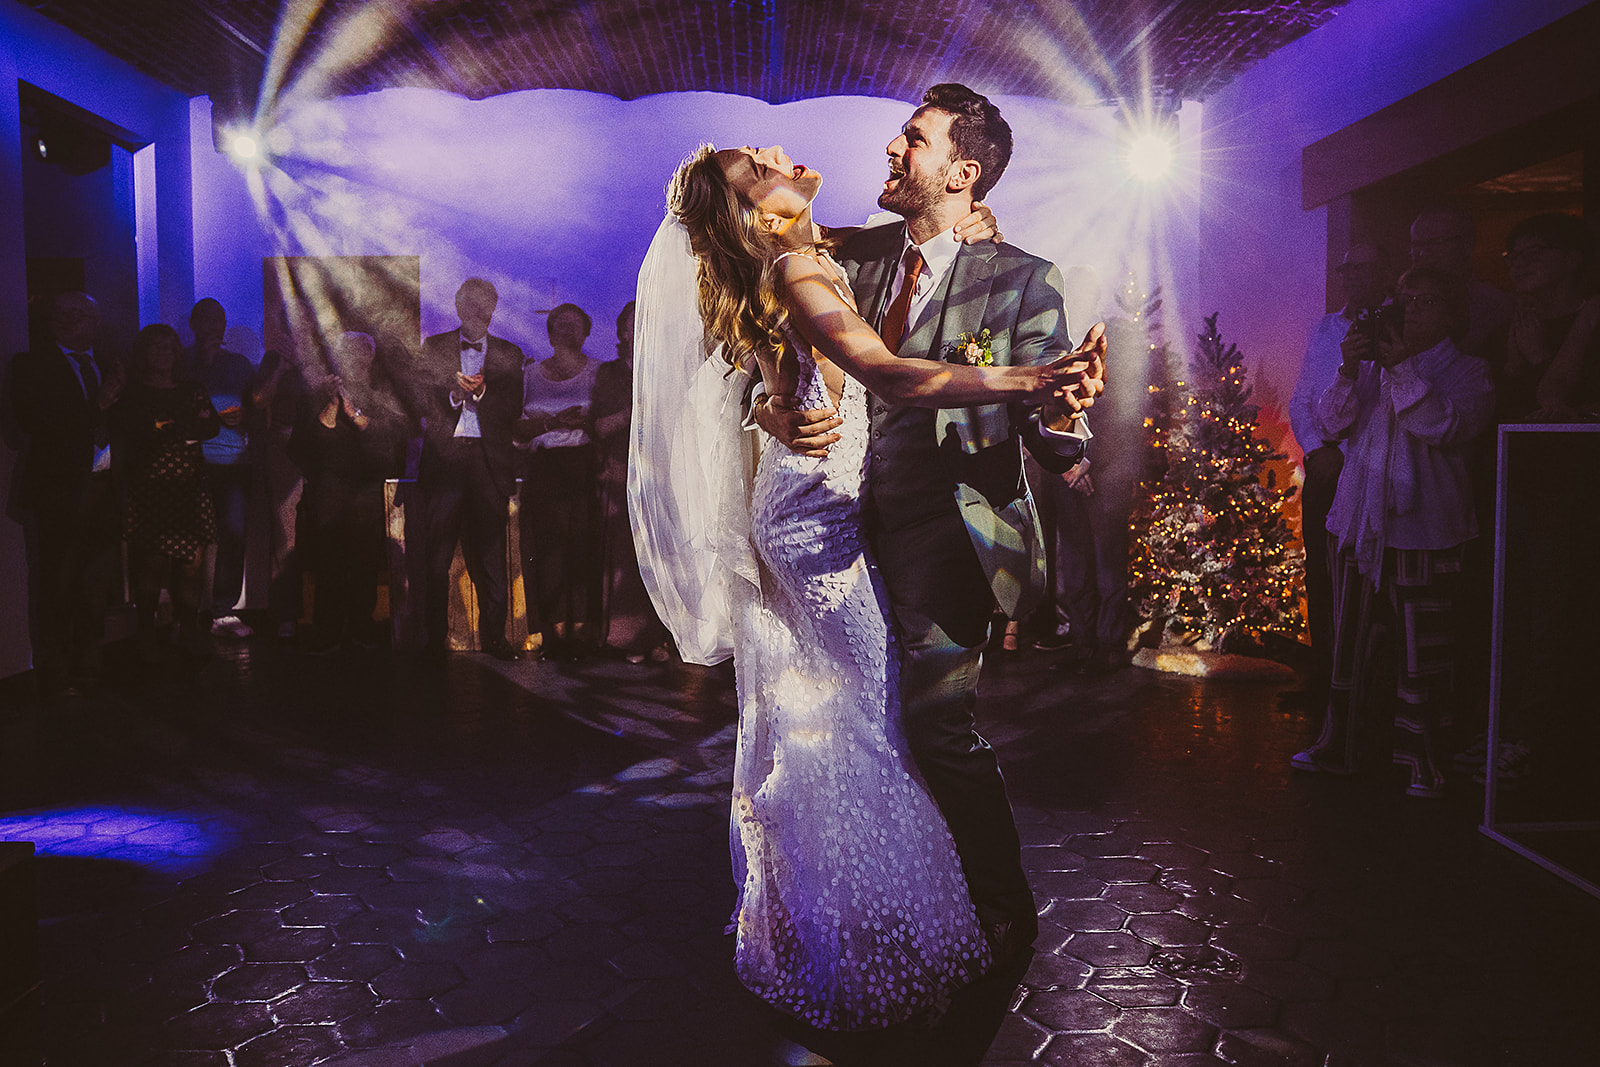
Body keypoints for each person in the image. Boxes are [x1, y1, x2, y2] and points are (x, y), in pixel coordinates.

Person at [634, 132, 1101, 1026]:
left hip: (857, 515)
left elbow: (822, 319)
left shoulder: (836, 252)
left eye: (915, 138)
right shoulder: (796, 267)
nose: (777, 152)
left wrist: (772, 396)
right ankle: (867, 927)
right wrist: (1031, 378)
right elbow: (884, 373)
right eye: (755, 166)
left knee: (845, 712)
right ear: (754, 214)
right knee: (864, 716)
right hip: (816, 519)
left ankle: (830, 915)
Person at [754, 85, 1103, 968]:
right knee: (857, 722)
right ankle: (892, 892)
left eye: (913, 138)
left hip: (950, 536)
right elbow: (773, 322)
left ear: (961, 172)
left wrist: (1066, 413)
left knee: (937, 724)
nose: (892, 148)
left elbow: (1048, 416)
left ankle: (1000, 905)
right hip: (840, 528)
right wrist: (770, 406)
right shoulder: (861, 254)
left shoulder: (1022, 278)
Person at [1291, 266, 1494, 798]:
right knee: (1351, 643)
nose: (1410, 310)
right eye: (1405, 299)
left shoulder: (1470, 370)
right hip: (1358, 523)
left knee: (1423, 652)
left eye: (1426, 302)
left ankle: (1423, 761)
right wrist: (1348, 370)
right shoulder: (1373, 370)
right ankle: (1342, 747)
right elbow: (1332, 424)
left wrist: (1400, 367)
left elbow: (1444, 425)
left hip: (1426, 530)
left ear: (1453, 314)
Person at [1287, 244, 1392, 706]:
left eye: (1364, 269)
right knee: (1320, 573)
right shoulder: (1326, 328)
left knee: (1368, 576)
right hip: (1328, 468)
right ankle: (1326, 677)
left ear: (1383, 273)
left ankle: (1365, 686)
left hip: (1374, 471)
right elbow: (1301, 399)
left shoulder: (1398, 325)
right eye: (1347, 269)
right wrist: (1316, 451)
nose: (1353, 277)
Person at [7, 291, 124, 696]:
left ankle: (90, 659)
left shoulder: (110, 362)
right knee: (57, 581)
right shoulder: (30, 365)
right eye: (62, 313)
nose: (68, 319)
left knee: (97, 580)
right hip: (58, 492)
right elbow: (33, 422)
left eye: (80, 313)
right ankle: (55, 670)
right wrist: (98, 405)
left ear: (96, 321)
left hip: (106, 488)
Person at [415, 278, 524, 661]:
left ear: (492, 309)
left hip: (487, 463)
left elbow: (512, 407)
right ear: (458, 307)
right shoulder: (435, 347)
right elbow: (420, 399)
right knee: (436, 557)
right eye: (471, 304)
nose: (478, 311)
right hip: (446, 461)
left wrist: (480, 393)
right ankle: (433, 638)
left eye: (484, 304)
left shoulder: (510, 352)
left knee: (492, 557)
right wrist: (453, 395)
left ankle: (495, 637)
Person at [291, 332, 408, 654]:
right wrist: (332, 403)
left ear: (370, 357)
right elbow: (307, 444)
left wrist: (354, 413)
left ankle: (361, 627)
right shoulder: (318, 394)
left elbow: (389, 441)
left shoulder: (381, 393)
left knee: (365, 562)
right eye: (347, 353)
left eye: (360, 353)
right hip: (330, 489)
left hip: (368, 488)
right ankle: (327, 630)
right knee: (329, 562)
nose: (354, 359)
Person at [111, 324, 221, 660]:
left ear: (177, 352)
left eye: (168, 346)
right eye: (155, 346)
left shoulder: (191, 388)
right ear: (143, 352)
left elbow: (210, 425)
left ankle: (188, 630)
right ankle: (145, 632)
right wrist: (178, 426)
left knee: (191, 562)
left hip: (190, 485)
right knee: (151, 563)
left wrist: (168, 427)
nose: (163, 352)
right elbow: (133, 430)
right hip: (150, 486)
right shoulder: (133, 392)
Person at [515, 303, 603, 660]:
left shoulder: (598, 371)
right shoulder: (530, 374)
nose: (567, 331)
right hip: (544, 466)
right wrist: (550, 423)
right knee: (547, 550)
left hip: (584, 464)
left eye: (575, 325)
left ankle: (580, 632)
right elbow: (515, 428)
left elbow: (608, 421)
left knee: (582, 548)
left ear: (586, 333)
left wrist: (583, 422)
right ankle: (552, 631)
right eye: (560, 325)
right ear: (549, 333)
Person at [592, 301, 669, 662]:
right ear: (622, 332)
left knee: (659, 556)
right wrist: (634, 410)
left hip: (659, 474)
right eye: (631, 325)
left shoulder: (662, 370)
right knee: (626, 556)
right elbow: (599, 426)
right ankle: (627, 640)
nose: (637, 331)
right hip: (620, 473)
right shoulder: (609, 373)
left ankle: (658, 638)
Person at [186, 298, 257, 640]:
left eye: (220, 320)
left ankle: (223, 610)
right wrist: (205, 361)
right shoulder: (182, 361)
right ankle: (187, 612)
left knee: (233, 534)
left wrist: (245, 416)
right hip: (190, 461)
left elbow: (257, 407)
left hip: (232, 460)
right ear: (193, 324)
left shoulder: (240, 364)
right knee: (189, 538)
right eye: (207, 320)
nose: (215, 327)